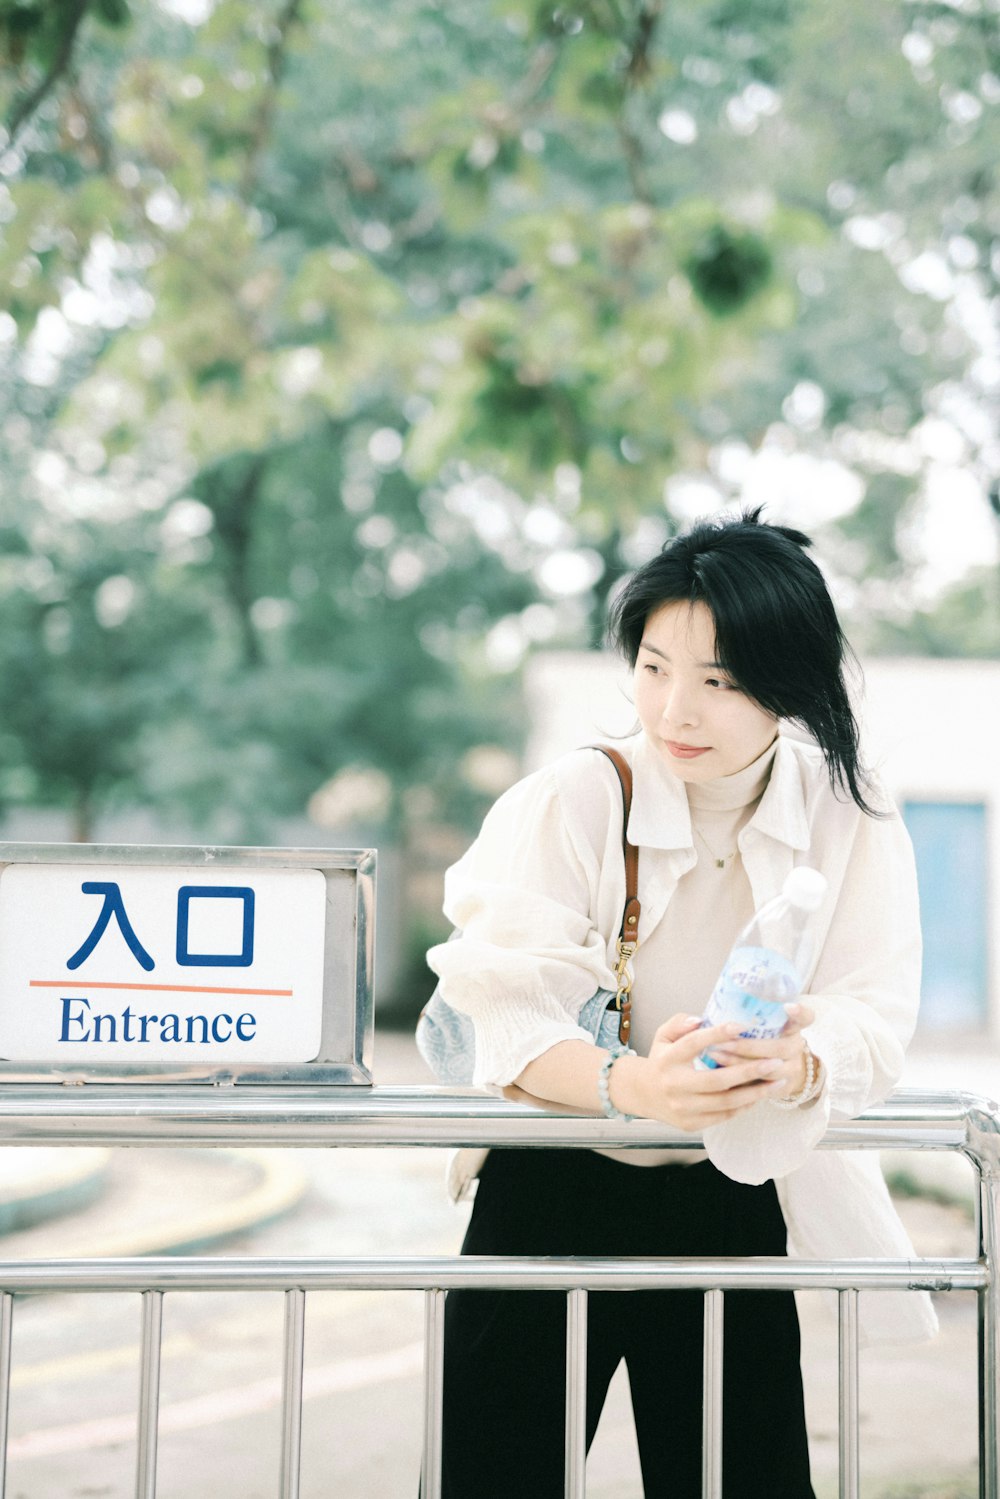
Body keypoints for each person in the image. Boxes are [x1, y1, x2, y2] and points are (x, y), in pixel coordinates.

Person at [424, 508, 936, 1499]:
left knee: (742, 1476)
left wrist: (800, 1059)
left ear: (786, 682)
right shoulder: (573, 797)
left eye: (720, 680)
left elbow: (877, 1005)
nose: (676, 709)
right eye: (655, 667)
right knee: (498, 1473)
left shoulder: (846, 811)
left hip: (726, 1189)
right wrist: (639, 1084)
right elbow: (507, 1007)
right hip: (549, 1181)